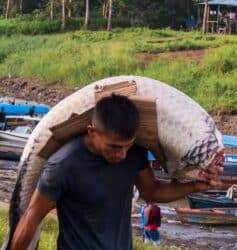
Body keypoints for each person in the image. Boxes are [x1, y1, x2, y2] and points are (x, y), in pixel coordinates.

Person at [9, 94, 224, 250]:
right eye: (114, 147)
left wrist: (196, 185)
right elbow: (32, 216)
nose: (122, 155)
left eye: (127, 146)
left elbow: (152, 191)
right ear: (92, 132)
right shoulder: (64, 165)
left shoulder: (134, 154)